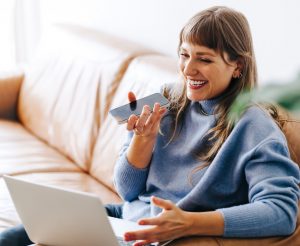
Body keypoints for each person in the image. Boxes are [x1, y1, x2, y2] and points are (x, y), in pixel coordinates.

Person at [0, 5, 299, 246]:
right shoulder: (166, 97)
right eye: (184, 55)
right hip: (124, 217)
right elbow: (127, 191)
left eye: (204, 59)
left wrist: (189, 222)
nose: (188, 69)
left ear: (238, 66)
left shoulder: (255, 127)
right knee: (16, 235)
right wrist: (141, 143)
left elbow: (281, 211)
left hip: (157, 235)